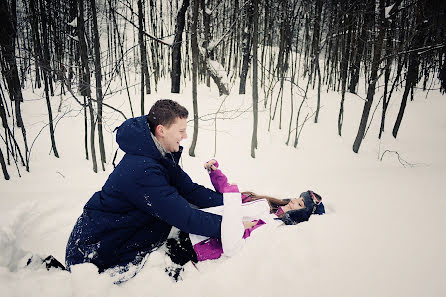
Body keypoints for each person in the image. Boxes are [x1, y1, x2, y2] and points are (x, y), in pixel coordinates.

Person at [65, 100, 226, 276]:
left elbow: (189, 190)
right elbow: (183, 216)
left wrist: (233, 202)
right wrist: (230, 226)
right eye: (181, 131)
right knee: (181, 242)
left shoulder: (159, 156)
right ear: (161, 130)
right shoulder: (143, 169)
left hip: (121, 233)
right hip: (95, 254)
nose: (185, 136)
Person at [165, 159, 325, 279]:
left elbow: (237, 242)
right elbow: (232, 196)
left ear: (301, 213)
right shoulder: (267, 203)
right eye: (297, 198)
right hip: (203, 222)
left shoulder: (275, 226)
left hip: (202, 243)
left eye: (299, 203)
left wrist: (241, 224)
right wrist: (215, 173)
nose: (293, 200)